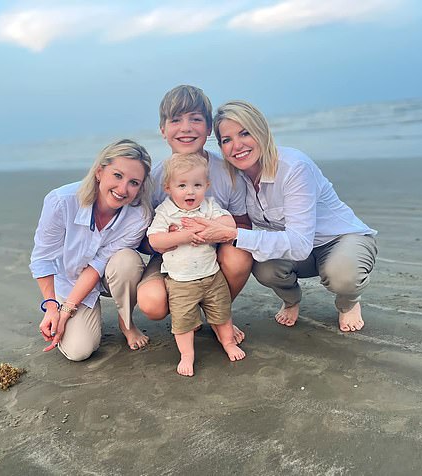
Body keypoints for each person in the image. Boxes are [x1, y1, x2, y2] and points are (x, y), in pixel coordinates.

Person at [182, 100, 378, 332]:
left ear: (262, 131)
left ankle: (348, 303)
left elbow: (300, 244)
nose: (237, 145)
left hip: (340, 239)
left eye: (245, 133)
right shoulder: (235, 176)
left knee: (343, 275)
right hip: (299, 250)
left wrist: (234, 234)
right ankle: (291, 299)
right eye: (226, 140)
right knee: (264, 267)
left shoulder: (294, 167)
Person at [137, 85, 253, 343]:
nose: (186, 128)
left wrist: (212, 231)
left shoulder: (227, 172)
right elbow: (143, 241)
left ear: (209, 128)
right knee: (151, 303)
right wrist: (178, 237)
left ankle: (218, 315)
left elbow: (243, 223)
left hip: (213, 256)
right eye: (176, 120)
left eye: (196, 119)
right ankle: (187, 312)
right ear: (163, 130)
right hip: (171, 258)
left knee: (240, 256)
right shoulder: (154, 180)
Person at [29, 139, 153, 361]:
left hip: (107, 274)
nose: (123, 189)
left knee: (127, 262)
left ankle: (126, 323)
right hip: (69, 281)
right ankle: (79, 317)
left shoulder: (139, 216)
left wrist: (67, 311)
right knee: (80, 351)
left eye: (134, 182)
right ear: (99, 172)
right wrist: (54, 308)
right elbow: (42, 259)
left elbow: (99, 264)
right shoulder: (61, 202)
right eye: (117, 175)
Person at [147, 153, 246, 376]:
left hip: (212, 275)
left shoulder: (209, 206)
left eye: (197, 185)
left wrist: (205, 227)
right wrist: (182, 237)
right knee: (183, 322)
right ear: (168, 188)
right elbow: (155, 240)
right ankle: (187, 355)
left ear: (207, 186)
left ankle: (228, 342)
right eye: (181, 185)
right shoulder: (166, 212)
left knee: (222, 312)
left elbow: (228, 222)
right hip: (181, 282)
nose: (190, 191)